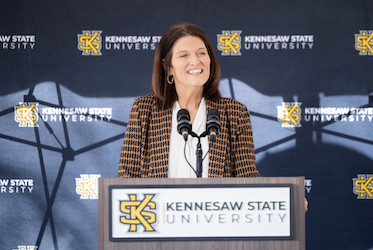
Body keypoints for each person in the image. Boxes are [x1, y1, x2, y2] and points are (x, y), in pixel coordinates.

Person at [117, 23, 260, 178]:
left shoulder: (235, 113)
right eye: (184, 55)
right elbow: (126, 178)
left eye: (201, 53)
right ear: (167, 67)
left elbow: (248, 180)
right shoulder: (144, 110)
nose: (195, 61)